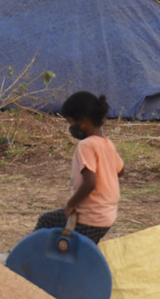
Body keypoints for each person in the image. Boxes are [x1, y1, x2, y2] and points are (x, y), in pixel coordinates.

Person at [33, 91, 124, 244]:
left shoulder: (86, 145)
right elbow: (120, 171)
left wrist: (71, 204)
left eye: (71, 123)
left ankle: (26, 258)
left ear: (83, 121)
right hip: (107, 217)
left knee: (46, 221)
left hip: (89, 217)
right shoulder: (107, 144)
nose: (71, 128)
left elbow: (90, 183)